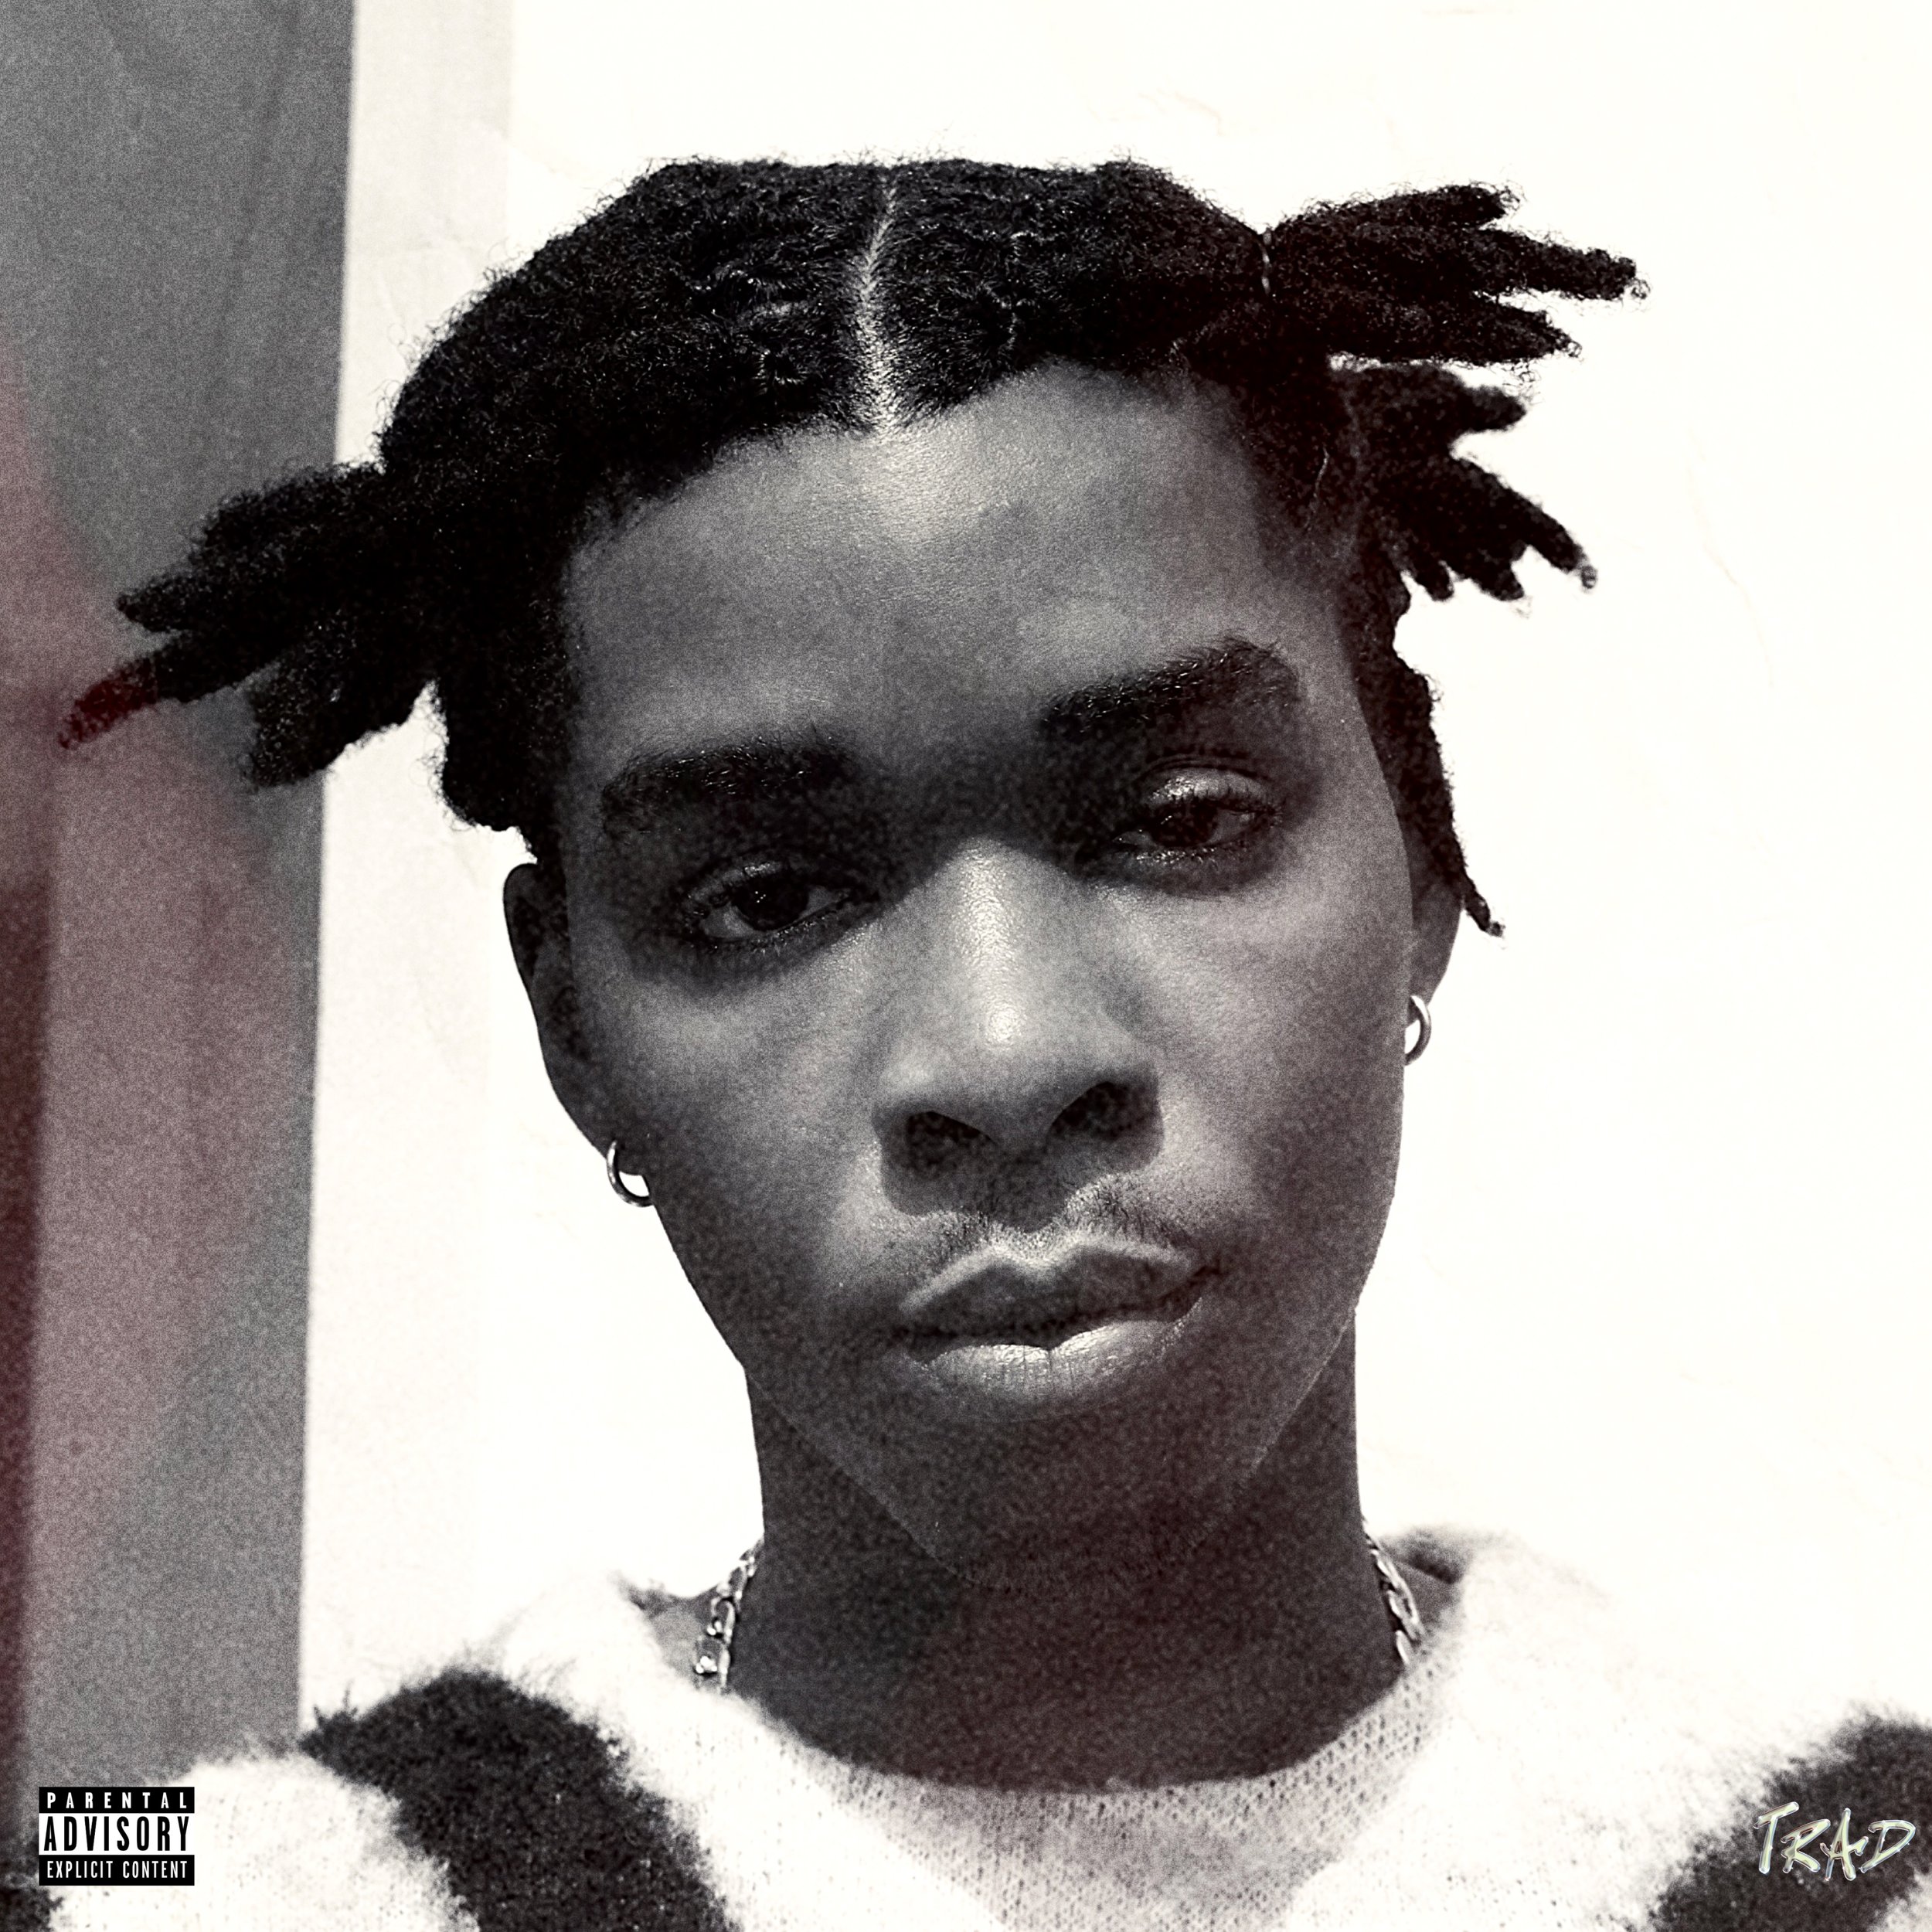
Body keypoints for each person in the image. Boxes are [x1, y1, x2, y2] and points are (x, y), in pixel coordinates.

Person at [41, 159, 1932, 1930]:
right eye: (765, 897)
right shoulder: (210, 1885)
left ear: (1421, 866)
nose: (1006, 1053)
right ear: (577, 1029)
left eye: (1183, 818)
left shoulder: (1856, 1862)